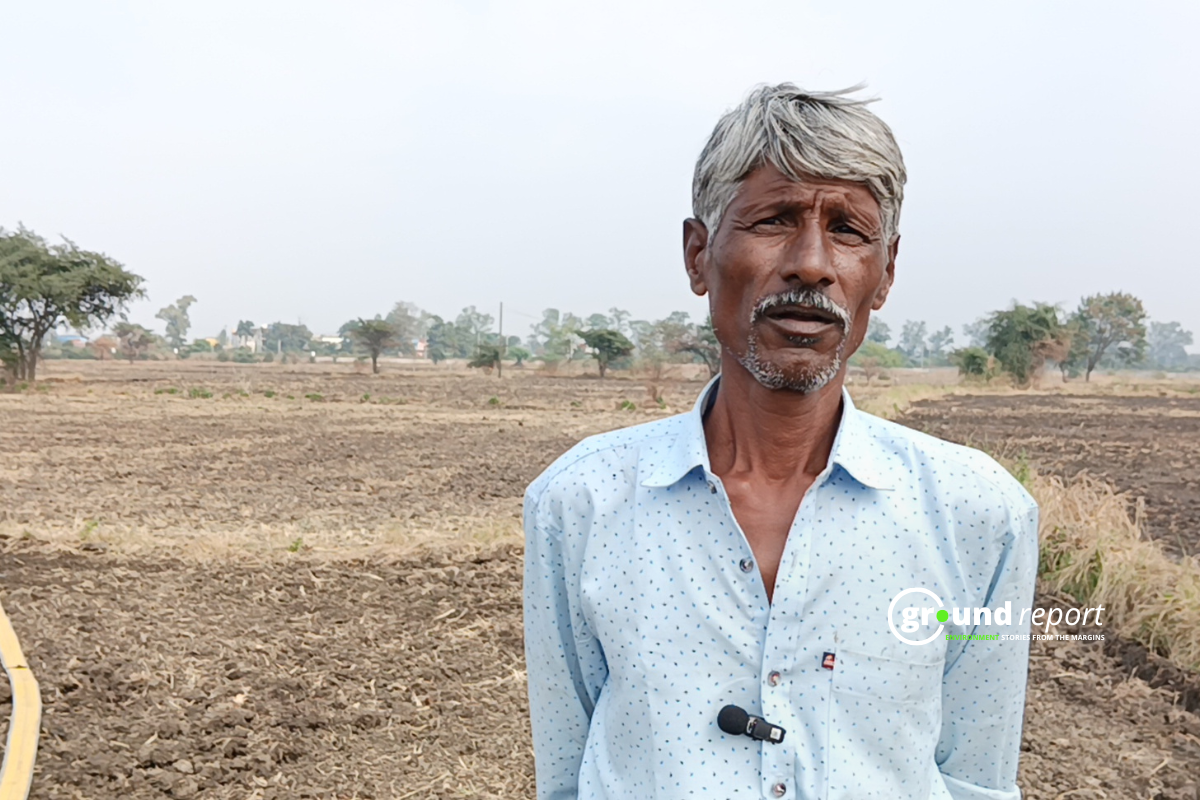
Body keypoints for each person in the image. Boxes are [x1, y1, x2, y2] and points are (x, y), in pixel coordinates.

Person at [523, 83, 1038, 800]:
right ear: (699, 255)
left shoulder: (978, 514)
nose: (812, 263)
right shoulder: (582, 503)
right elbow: (567, 778)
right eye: (774, 220)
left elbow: (977, 781)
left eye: (850, 231)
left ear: (884, 273)